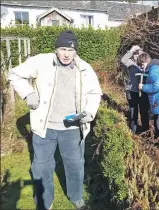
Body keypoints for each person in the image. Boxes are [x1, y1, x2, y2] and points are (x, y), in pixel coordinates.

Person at [8, 30, 102, 210]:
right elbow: (14, 74)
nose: (66, 54)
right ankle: (45, 201)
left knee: (75, 165)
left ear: (76, 52)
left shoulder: (84, 68)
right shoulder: (41, 61)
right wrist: (28, 93)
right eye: (63, 49)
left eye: (71, 50)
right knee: (42, 166)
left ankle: (76, 196)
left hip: (72, 128)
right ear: (56, 49)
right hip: (44, 128)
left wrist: (90, 111)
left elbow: (95, 92)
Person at [121, 45, 150, 134]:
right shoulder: (131, 63)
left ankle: (145, 130)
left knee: (144, 111)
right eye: (135, 54)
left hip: (143, 91)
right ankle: (133, 131)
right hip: (132, 91)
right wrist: (132, 50)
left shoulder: (146, 63)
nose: (137, 55)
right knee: (134, 112)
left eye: (139, 53)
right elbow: (123, 60)